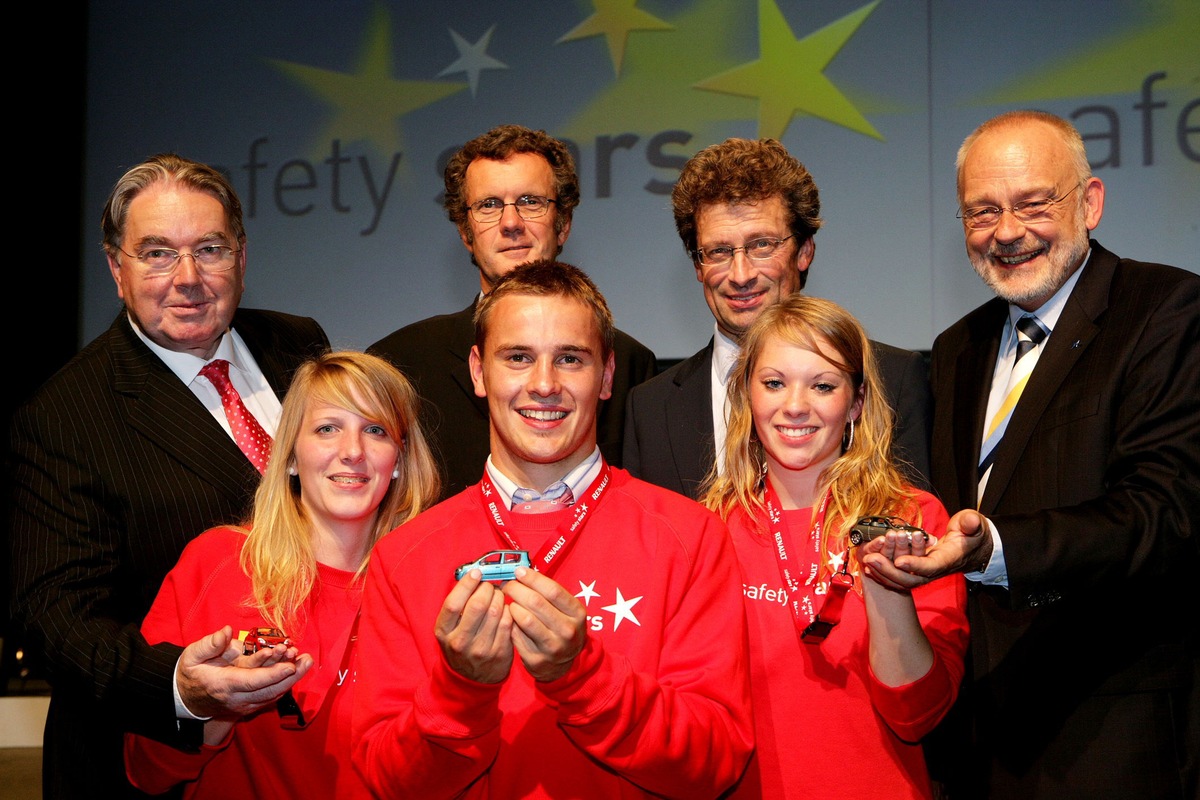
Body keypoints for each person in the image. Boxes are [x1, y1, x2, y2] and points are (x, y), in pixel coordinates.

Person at [873, 110, 1200, 798]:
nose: (1008, 231)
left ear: (1091, 202)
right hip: (981, 745)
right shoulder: (957, 347)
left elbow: (1163, 513)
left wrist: (994, 548)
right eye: (982, 211)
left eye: (1033, 203)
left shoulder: (1167, 309)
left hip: (1113, 743)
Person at [352, 260, 753, 798]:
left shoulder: (690, 536)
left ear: (607, 376)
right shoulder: (403, 556)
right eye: (518, 357)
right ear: (478, 371)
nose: (544, 385)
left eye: (570, 359)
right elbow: (386, 782)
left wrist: (583, 674)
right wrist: (461, 689)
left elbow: (714, 763)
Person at [8, 153, 330, 798]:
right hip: (154, 764)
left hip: (312, 747)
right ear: (115, 268)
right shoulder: (66, 415)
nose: (187, 278)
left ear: (240, 255)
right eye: (156, 253)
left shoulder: (298, 346)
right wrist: (179, 684)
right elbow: (53, 618)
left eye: (208, 249)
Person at [123, 351, 440, 798]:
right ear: (290, 456)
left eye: (375, 430)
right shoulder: (217, 563)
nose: (352, 452)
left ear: (401, 460)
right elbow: (145, 769)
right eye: (327, 428)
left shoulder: (435, 583)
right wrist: (216, 707)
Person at [700, 294, 968, 798]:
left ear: (857, 402)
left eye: (822, 385)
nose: (795, 406)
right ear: (745, 395)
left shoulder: (915, 519)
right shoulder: (707, 529)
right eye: (774, 383)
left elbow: (917, 717)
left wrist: (890, 589)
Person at [623, 137, 931, 500]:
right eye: (719, 251)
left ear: (804, 252)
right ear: (697, 266)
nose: (740, 274)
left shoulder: (891, 378)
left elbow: (914, 536)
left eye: (761, 245)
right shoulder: (649, 407)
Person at [369, 124, 657, 498]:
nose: (510, 223)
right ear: (465, 231)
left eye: (530, 202)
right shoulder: (398, 364)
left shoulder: (631, 365)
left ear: (564, 224)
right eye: (489, 205)